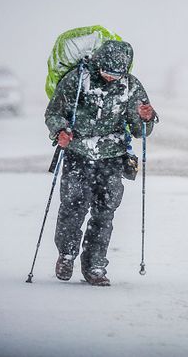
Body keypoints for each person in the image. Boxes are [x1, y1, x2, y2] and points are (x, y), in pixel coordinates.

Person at [44, 40, 157, 286]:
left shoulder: (131, 86)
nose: (110, 78)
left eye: (116, 75)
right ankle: (66, 253)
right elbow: (53, 113)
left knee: (104, 213)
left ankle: (95, 265)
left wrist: (147, 118)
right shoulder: (77, 80)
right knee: (73, 207)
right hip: (78, 153)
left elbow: (140, 131)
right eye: (106, 73)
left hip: (111, 156)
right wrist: (60, 131)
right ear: (98, 64)